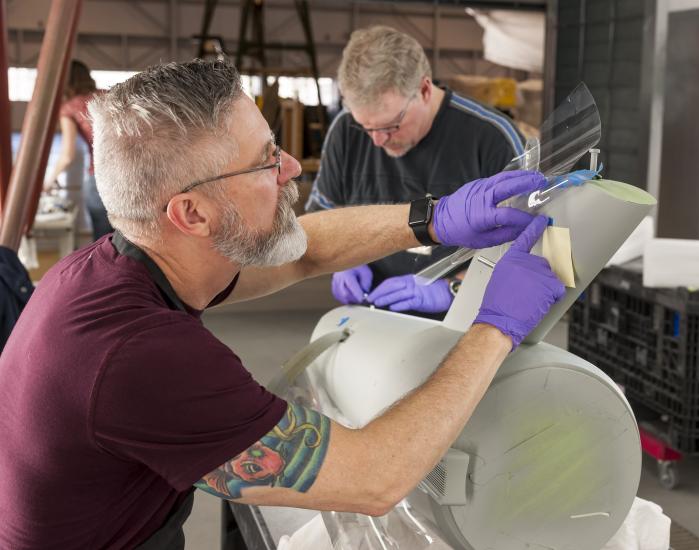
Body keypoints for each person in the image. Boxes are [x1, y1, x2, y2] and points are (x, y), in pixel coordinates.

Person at [0, 60, 565, 549]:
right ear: (192, 214)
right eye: (266, 161)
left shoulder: (116, 265)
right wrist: (494, 326)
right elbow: (374, 478)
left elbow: (299, 255)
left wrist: (432, 219)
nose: (292, 167)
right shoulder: (142, 357)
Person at [305, 25, 527, 316]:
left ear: (423, 89)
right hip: (373, 316)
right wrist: (344, 260)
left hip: (465, 321)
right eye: (365, 126)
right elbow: (319, 222)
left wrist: (453, 289)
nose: (377, 140)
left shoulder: (493, 138)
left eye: (390, 125)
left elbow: (528, 249)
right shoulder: (346, 132)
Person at [45, 59, 114, 240]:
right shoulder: (109, 96)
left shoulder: (69, 108)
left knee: (103, 237)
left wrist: (49, 181)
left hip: (102, 174)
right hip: (134, 171)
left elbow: (67, 155)